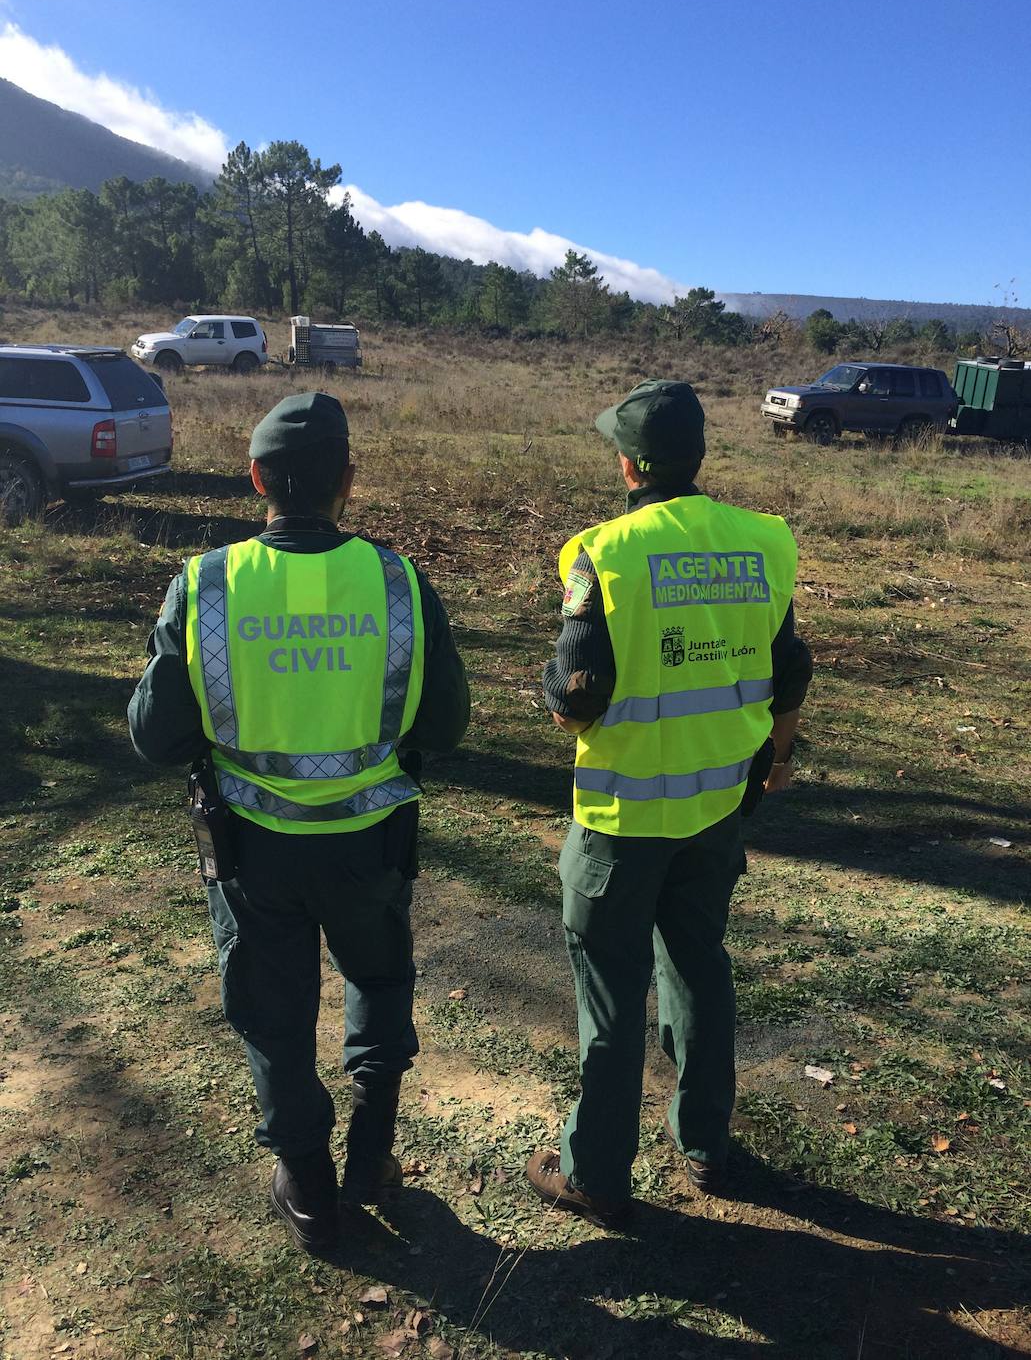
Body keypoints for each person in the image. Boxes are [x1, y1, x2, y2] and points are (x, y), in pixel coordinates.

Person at [128, 391, 469, 1254]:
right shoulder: (397, 581)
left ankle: (310, 1192)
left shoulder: (206, 584)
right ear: (347, 482)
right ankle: (371, 1151)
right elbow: (445, 727)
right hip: (370, 847)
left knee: (274, 1016)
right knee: (380, 981)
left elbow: (155, 736)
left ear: (255, 481)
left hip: (252, 854)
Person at [525, 379, 812, 1230]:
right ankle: (706, 1145)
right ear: (697, 457)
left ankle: (595, 1176)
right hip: (717, 805)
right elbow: (788, 666)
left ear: (627, 464)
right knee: (698, 965)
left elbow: (577, 693)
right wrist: (779, 757)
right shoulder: (763, 541)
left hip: (619, 822)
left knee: (611, 997)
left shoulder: (601, 552)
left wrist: (555, 705)